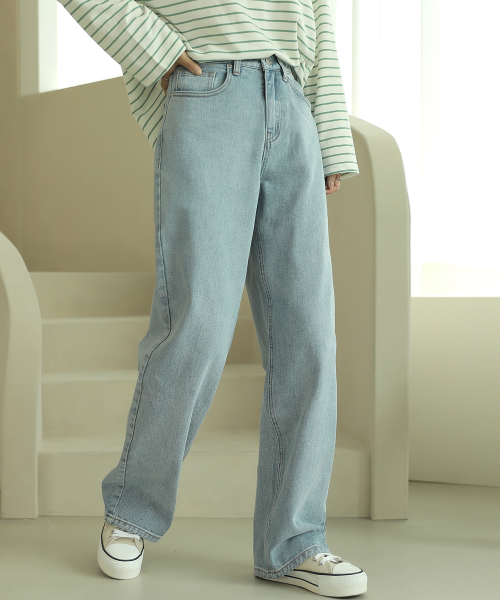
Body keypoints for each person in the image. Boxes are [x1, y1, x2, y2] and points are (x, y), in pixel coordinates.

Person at [59, 0, 366, 596]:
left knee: (309, 337)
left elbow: (319, 13)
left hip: (291, 94)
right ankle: (131, 512)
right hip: (211, 87)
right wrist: (156, 50)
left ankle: (295, 542)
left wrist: (328, 133)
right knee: (197, 321)